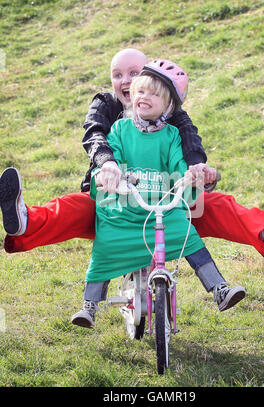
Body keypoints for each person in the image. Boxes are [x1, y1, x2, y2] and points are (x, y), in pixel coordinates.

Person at [0, 49, 264, 271]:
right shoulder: (104, 104)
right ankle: (24, 222)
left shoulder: (170, 114)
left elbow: (190, 138)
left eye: (134, 73)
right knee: (72, 209)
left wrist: (197, 168)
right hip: (113, 203)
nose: (126, 82)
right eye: (118, 75)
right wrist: (107, 165)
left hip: (165, 200)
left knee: (214, 206)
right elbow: (94, 135)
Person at [71, 60, 246, 328]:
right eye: (140, 91)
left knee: (188, 235)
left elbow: (180, 167)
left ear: (168, 106)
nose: (144, 97)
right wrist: (110, 170)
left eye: (154, 94)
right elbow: (112, 156)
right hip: (126, 209)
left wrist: (194, 175)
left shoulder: (172, 136)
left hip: (161, 210)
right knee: (107, 242)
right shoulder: (120, 129)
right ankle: (89, 305)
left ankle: (219, 288)